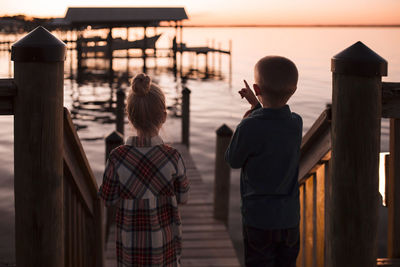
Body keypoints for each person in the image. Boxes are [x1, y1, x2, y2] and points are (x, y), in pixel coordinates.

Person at [98, 73, 190, 267]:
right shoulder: (173, 157)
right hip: (165, 246)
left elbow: (107, 199)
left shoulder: (117, 157)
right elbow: (183, 197)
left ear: (129, 117)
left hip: (131, 250)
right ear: (163, 117)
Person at [225, 56, 302, 267]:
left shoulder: (248, 127)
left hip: (258, 219)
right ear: (293, 90)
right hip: (289, 219)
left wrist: (246, 119)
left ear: (257, 88)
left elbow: (233, 160)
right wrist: (256, 104)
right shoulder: (296, 123)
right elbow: (272, 123)